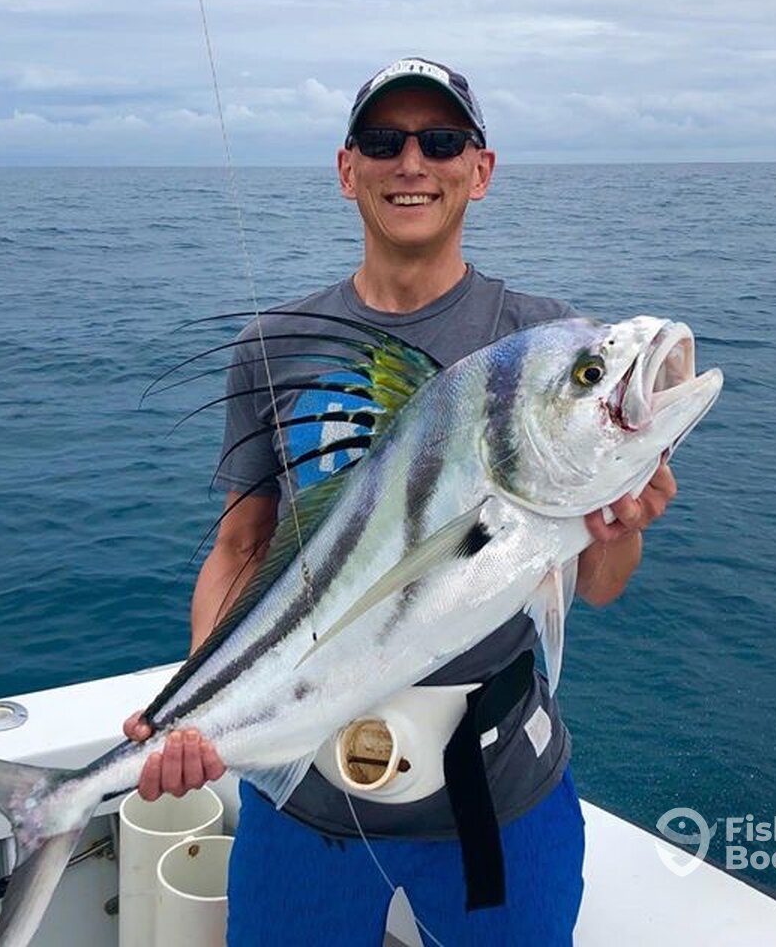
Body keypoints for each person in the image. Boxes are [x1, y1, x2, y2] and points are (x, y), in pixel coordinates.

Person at [124, 57, 677, 944]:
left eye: (442, 140)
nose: (412, 162)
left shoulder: (538, 341)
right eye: (383, 141)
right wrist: (197, 703)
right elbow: (240, 548)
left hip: (497, 794)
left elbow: (601, 583)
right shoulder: (276, 343)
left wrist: (623, 519)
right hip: (302, 791)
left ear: (479, 170)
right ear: (348, 170)